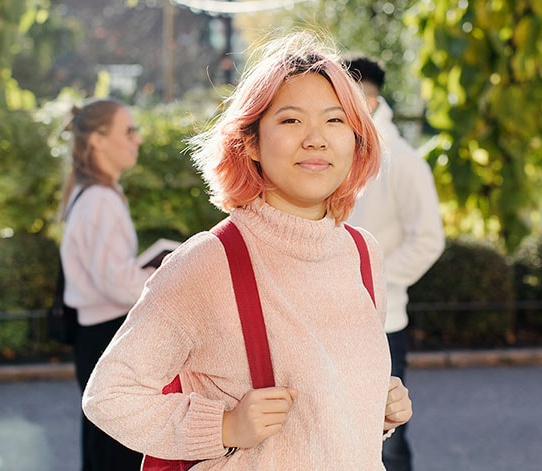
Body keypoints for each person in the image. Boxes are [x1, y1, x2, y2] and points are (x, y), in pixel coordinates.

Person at [82, 31, 412, 469]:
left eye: (335, 121)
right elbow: (109, 395)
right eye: (291, 120)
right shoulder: (207, 263)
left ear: (357, 141)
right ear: (251, 141)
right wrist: (223, 427)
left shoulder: (362, 254)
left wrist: (376, 409)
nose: (316, 139)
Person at [344, 55, 445, 471]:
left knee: (388, 445)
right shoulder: (336, 150)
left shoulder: (401, 159)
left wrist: (372, 284)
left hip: (381, 322)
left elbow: (428, 240)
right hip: (323, 319)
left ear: (367, 100)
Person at [60, 98, 152, 470]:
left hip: (94, 335)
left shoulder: (88, 193)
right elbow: (117, 283)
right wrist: (166, 276)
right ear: (97, 139)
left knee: (103, 449)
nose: (137, 139)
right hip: (108, 335)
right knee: (117, 454)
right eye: (128, 131)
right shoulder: (100, 199)